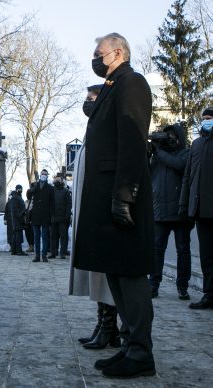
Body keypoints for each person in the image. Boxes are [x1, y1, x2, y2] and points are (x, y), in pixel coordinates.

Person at [74, 33, 155, 378]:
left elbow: (133, 141)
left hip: (121, 195)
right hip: (104, 195)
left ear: (117, 52)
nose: (94, 58)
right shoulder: (111, 86)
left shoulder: (132, 83)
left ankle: (141, 353)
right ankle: (129, 346)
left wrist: (124, 194)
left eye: (99, 53)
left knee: (129, 273)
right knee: (114, 271)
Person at [69, 84, 120, 350]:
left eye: (92, 98)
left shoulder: (108, 129)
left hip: (103, 213)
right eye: (86, 98)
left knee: (105, 272)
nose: (87, 102)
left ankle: (110, 327)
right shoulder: (92, 130)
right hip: (89, 213)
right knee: (96, 273)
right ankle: (103, 324)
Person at [148, 124, 192, 300]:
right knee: (157, 249)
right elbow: (148, 173)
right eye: (165, 136)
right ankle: (153, 284)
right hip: (160, 210)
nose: (168, 139)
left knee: (183, 250)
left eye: (171, 136)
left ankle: (182, 286)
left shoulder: (186, 153)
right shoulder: (157, 156)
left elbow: (178, 165)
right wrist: (149, 152)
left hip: (181, 212)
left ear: (179, 137)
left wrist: (158, 152)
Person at [179, 108, 213, 310]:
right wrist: (184, 204)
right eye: (205, 119)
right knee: (206, 255)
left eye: (209, 118)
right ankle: (209, 295)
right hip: (200, 210)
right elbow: (188, 177)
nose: (206, 122)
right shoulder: (197, 144)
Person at [27, 169, 54, 262]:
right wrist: (32, 188)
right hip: (36, 216)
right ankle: (37, 255)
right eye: (42, 174)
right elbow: (28, 196)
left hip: (46, 216)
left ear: (47, 176)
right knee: (36, 236)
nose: (43, 175)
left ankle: (44, 255)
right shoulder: (35, 185)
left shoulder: (50, 188)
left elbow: (52, 203)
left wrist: (51, 215)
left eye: (45, 174)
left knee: (45, 236)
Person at [51, 175, 72, 259]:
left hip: (63, 218)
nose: (57, 181)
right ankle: (53, 252)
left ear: (61, 181)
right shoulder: (52, 191)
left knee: (63, 236)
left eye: (59, 180)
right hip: (53, 218)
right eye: (56, 180)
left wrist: (67, 216)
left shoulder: (66, 191)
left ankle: (62, 252)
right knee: (53, 236)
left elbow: (69, 204)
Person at [9, 185, 27, 256]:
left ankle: (14, 250)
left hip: (18, 218)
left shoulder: (18, 196)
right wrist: (21, 214)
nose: (20, 190)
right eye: (19, 189)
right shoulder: (15, 197)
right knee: (18, 235)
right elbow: (15, 209)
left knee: (16, 235)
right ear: (16, 189)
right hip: (17, 219)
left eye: (21, 189)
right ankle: (19, 251)